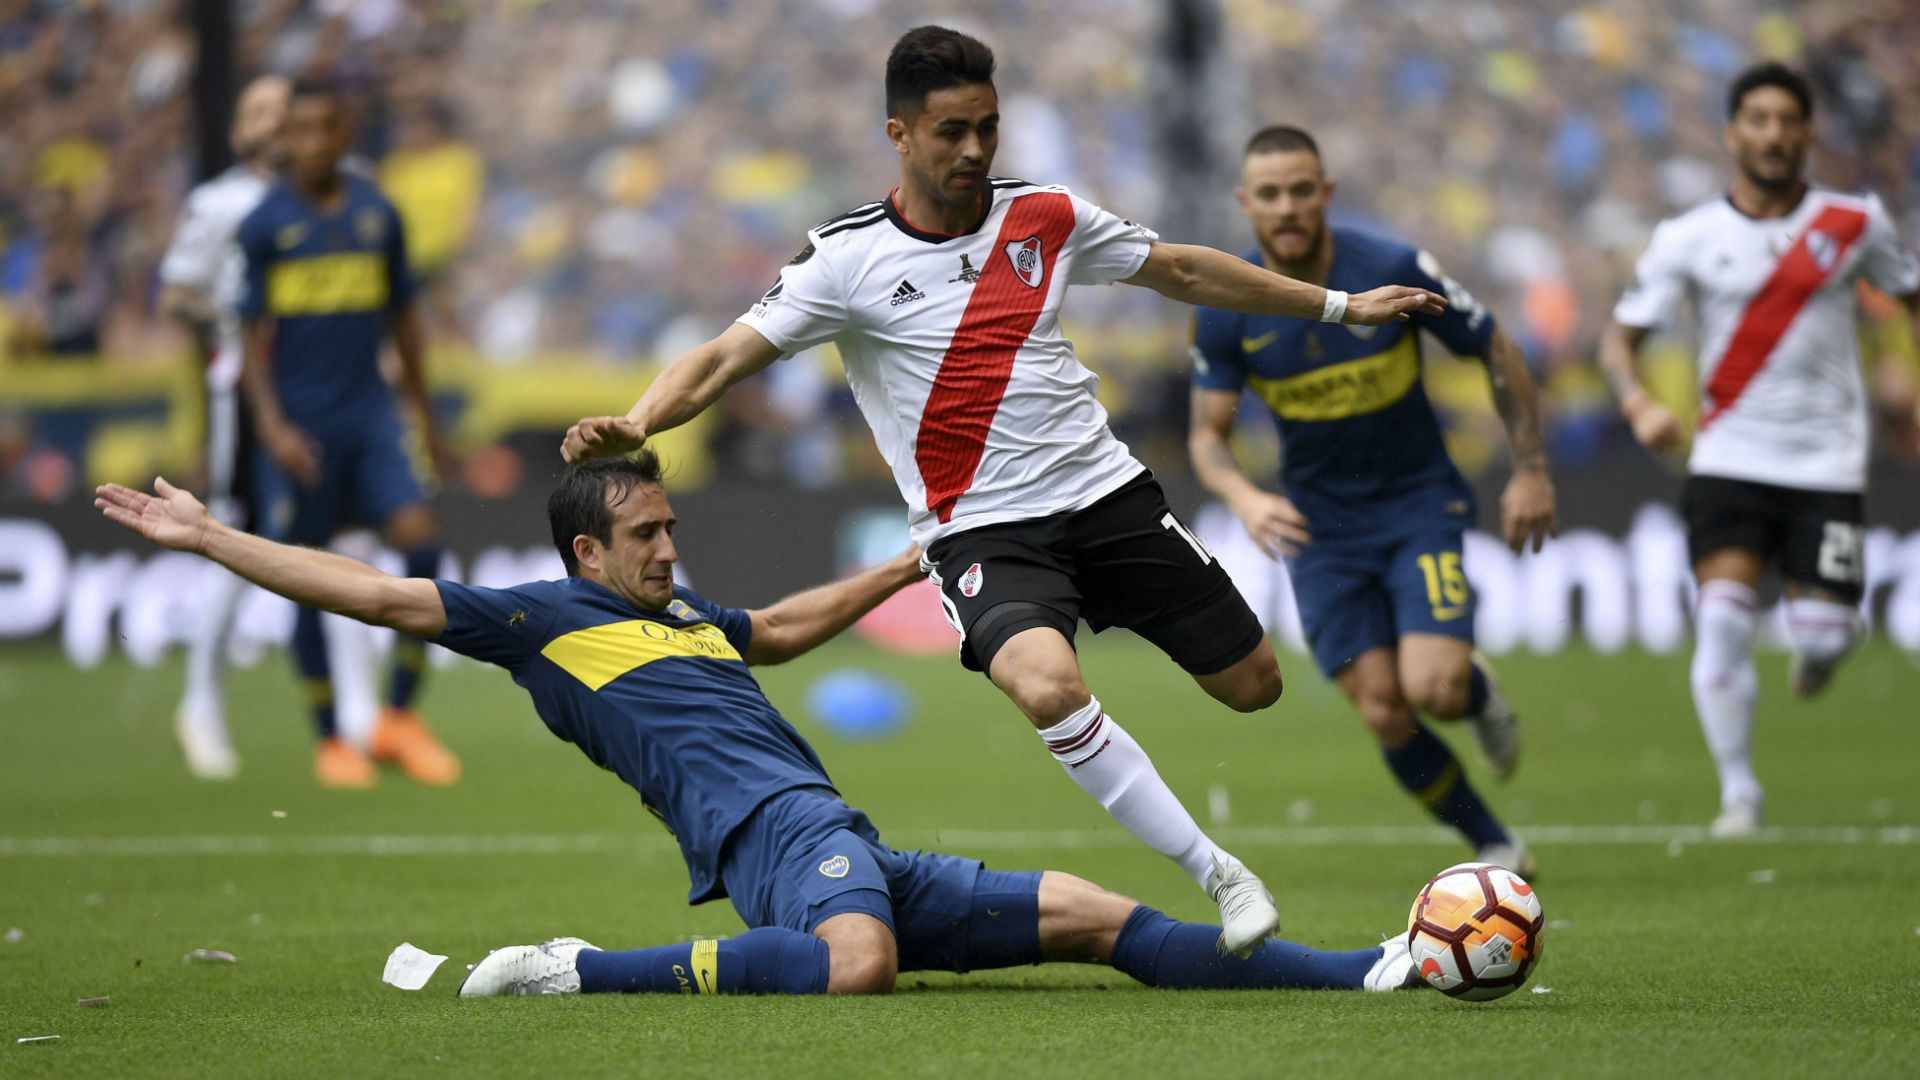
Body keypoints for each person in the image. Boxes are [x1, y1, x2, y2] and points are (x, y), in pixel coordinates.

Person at [561, 25, 1445, 956]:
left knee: (1255, 686)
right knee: (1044, 682)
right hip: (982, 531)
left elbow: (1181, 268)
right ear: (899, 134)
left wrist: (1343, 306)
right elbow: (720, 360)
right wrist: (642, 421)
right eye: (951, 132)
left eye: (988, 127)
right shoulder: (844, 260)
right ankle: (1218, 873)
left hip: (1108, 497)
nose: (975, 149)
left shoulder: (1047, 216)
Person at [91, 456, 1418, 998]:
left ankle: (1367, 968)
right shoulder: (538, 621)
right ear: (584, 550)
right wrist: (210, 536)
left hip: (829, 835)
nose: (673, 545)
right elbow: (376, 593)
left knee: (1104, 920)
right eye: (649, 533)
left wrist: (906, 569)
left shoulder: (686, 616)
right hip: (775, 829)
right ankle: (576, 968)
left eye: (672, 525)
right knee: (853, 970)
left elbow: (777, 629)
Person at [1186, 126, 1556, 874]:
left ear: (1325, 192)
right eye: (1270, 194)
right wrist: (1245, 498)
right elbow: (1207, 438)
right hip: (1319, 532)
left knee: (1435, 689)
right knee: (1384, 708)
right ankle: (1492, 844)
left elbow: (1492, 346)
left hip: (1417, 504)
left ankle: (1476, 691)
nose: (1287, 207)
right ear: (1245, 204)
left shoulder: (1388, 266)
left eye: (1300, 190)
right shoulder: (1231, 305)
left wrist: (1530, 467)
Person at [1598, 62, 1920, 838]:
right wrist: (1637, 401)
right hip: (1727, 458)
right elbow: (1619, 339)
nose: (1774, 134)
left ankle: (1818, 652)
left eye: (1788, 120)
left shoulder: (1855, 224)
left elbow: (1909, 301)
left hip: (1827, 464)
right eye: (1759, 119)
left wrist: (1898, 373)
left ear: (1808, 133)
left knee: (1825, 634)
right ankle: (1739, 794)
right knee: (1723, 622)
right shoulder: (1688, 237)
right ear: (1732, 133)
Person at [237, 80, 458, 789]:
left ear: (343, 134)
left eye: (326, 130)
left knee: (423, 545)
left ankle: (396, 716)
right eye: (300, 132)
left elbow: (406, 323)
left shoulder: (377, 215)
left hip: (372, 417)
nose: (313, 144)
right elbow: (246, 337)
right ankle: (332, 738)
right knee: (305, 580)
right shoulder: (266, 224)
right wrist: (270, 426)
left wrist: (425, 416)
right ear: (285, 139)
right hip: (302, 428)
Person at [155, 75, 292, 780]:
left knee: (352, 535)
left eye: (287, 109)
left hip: (324, 388)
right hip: (246, 385)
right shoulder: (218, 203)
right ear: (241, 132)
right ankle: (200, 701)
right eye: (262, 110)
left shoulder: (334, 191)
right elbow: (177, 292)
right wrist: (237, 317)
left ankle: (359, 721)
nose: (278, 122)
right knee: (238, 531)